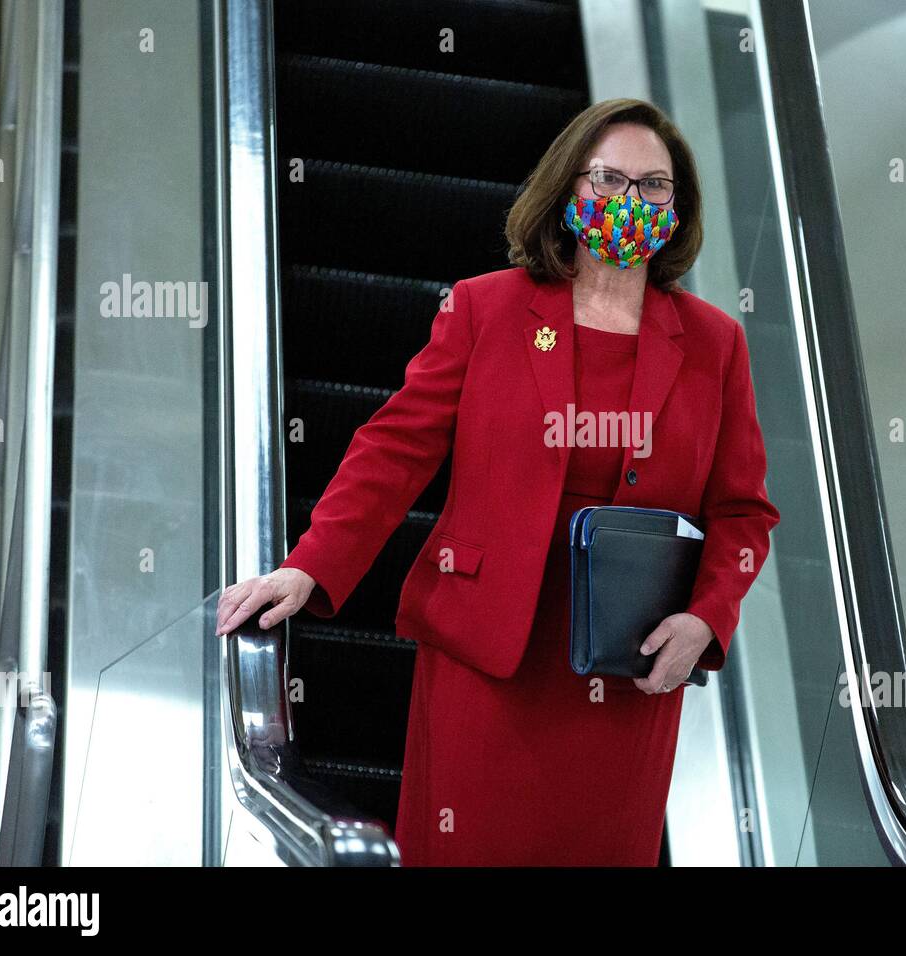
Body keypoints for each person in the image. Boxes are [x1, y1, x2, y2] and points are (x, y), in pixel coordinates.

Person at [215, 97, 780, 865]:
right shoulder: (488, 308)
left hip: (623, 671)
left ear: (677, 210)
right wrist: (312, 563)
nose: (631, 201)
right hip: (486, 660)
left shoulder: (715, 344)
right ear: (568, 187)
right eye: (610, 179)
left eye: (653, 187)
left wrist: (709, 619)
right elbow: (397, 447)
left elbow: (744, 511)